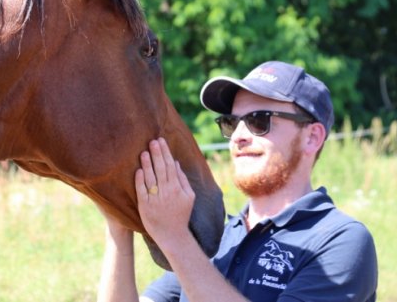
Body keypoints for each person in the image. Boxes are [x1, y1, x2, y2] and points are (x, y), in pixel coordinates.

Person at [97, 61, 378, 302]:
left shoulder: (341, 240)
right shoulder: (216, 237)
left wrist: (175, 237)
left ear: (312, 137)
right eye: (231, 123)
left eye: (259, 120)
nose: (239, 136)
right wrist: (118, 227)